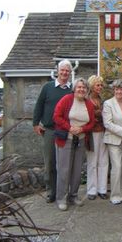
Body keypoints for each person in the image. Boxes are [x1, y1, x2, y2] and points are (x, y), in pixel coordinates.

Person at [32, 59, 73, 203]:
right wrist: (35, 123)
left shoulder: (72, 89)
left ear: (70, 73)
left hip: (67, 131)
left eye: (67, 71)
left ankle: (64, 191)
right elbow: (39, 105)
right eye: (62, 70)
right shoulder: (48, 87)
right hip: (50, 130)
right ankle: (51, 192)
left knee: (64, 164)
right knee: (49, 162)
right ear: (57, 71)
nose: (64, 73)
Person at [52, 78, 95, 211]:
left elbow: (92, 122)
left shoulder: (89, 104)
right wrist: (69, 127)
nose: (81, 89)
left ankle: (73, 196)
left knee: (77, 171)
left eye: (84, 88)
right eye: (79, 87)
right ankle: (61, 198)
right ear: (74, 88)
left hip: (81, 140)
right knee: (64, 170)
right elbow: (56, 116)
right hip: (66, 139)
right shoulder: (66, 99)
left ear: (87, 90)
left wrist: (82, 129)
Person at [86, 75, 109, 200]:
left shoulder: (102, 100)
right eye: (97, 85)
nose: (100, 87)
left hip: (103, 132)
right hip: (92, 133)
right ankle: (92, 190)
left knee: (103, 161)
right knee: (92, 162)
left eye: (101, 85)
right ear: (91, 86)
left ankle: (102, 189)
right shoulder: (86, 99)